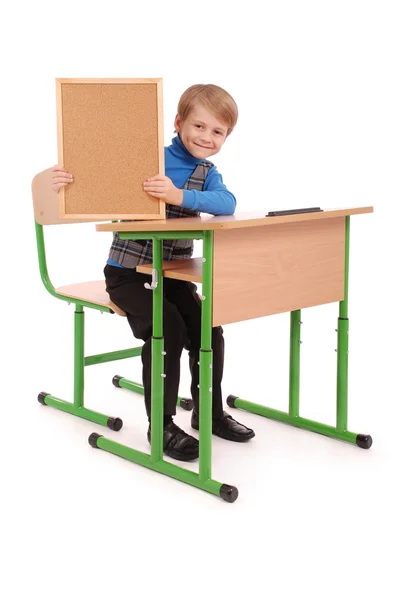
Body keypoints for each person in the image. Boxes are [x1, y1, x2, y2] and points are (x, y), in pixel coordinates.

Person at [51, 83, 255, 462]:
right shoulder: (148, 159)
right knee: (169, 325)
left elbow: (227, 203)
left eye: (217, 132)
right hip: (127, 274)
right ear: (178, 123)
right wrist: (68, 181)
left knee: (208, 324)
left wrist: (180, 195)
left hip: (172, 274)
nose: (206, 138)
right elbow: (97, 180)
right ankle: (160, 425)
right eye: (198, 126)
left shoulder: (207, 173)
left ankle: (207, 412)